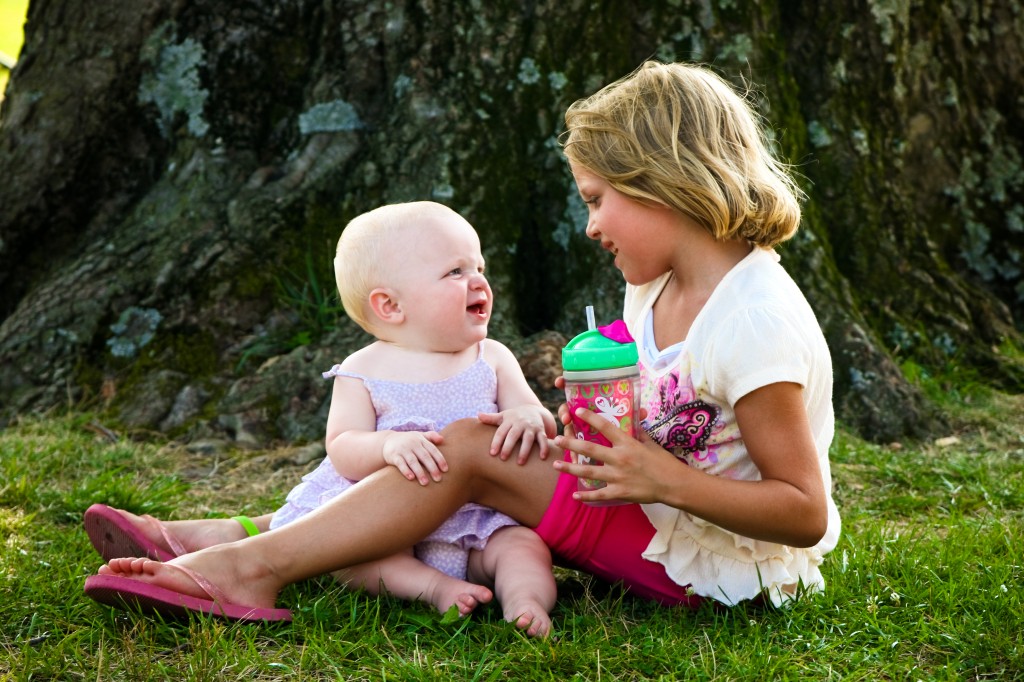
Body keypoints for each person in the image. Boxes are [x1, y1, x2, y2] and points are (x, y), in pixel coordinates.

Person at [84, 60, 840, 623]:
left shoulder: (755, 320)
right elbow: (675, 420)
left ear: (665, 181)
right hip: (651, 513)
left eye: (598, 200)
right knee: (477, 438)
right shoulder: (658, 284)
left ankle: (247, 565)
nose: (591, 226)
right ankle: (227, 539)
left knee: (469, 452)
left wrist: (658, 476)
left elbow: (803, 510)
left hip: (709, 567)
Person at [85, 201, 558, 637]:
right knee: (354, 562)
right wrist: (388, 446)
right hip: (382, 526)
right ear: (389, 305)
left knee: (523, 550)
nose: (479, 281)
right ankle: (434, 589)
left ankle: (526, 601)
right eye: (455, 271)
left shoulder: (491, 356)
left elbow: (532, 411)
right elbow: (344, 445)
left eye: (479, 267)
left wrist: (529, 417)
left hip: (479, 524)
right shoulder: (362, 369)